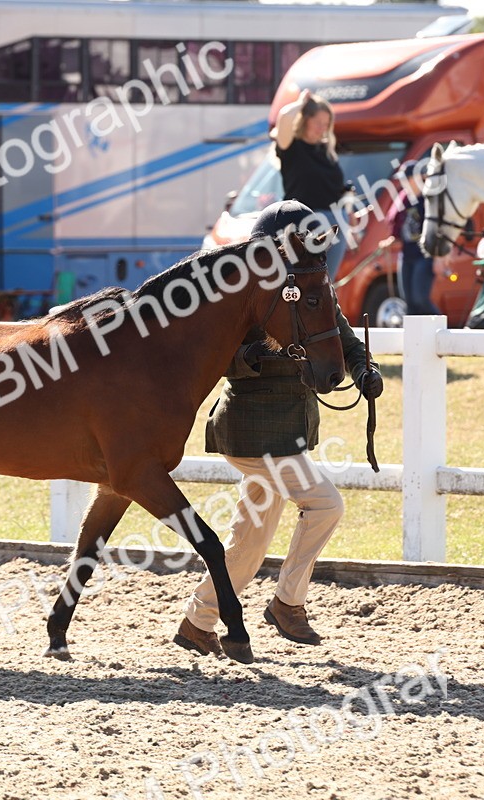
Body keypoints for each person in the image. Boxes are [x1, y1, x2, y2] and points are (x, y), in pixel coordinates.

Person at [174, 200, 384, 658]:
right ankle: (288, 604)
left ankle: (199, 620)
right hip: (251, 431)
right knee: (325, 505)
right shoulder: (243, 295)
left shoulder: (312, 287)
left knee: (248, 545)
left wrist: (365, 369)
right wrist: (254, 357)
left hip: (288, 432)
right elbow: (217, 355)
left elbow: (341, 337)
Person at [271, 89, 352, 279]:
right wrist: (301, 103)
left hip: (335, 222)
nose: (322, 129)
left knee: (325, 282)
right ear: (305, 120)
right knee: (299, 280)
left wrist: (348, 209)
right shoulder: (291, 148)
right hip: (302, 224)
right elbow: (283, 117)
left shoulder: (327, 150)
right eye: (318, 123)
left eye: (326, 124)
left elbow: (337, 189)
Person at [381, 160, 441, 318]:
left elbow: (438, 230)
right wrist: (393, 239)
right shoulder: (403, 200)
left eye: (407, 178)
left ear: (420, 177)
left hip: (425, 256)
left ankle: (441, 326)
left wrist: (438, 258)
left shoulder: (429, 199)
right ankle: (415, 340)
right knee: (409, 303)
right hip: (407, 255)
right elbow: (399, 227)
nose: (404, 183)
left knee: (420, 299)